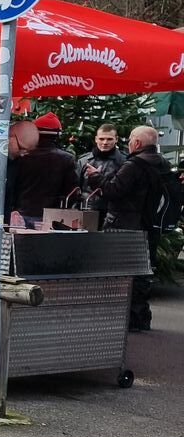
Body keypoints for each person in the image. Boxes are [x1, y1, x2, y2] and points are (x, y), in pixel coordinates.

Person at [101, 124, 178, 331]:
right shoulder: (162, 163)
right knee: (142, 271)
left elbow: (113, 190)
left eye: (129, 140)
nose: (128, 143)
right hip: (150, 226)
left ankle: (128, 319)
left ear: (136, 143)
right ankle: (141, 316)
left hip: (127, 225)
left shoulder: (134, 165)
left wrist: (96, 177)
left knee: (123, 272)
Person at [13, 112, 79, 222]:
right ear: (57, 135)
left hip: (21, 214)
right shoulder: (67, 159)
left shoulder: (21, 156)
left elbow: (11, 186)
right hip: (52, 216)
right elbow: (72, 192)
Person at [78, 121, 127, 203]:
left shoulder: (124, 161)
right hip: (85, 207)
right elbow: (75, 187)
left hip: (111, 208)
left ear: (116, 139)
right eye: (101, 139)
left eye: (109, 139)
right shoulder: (83, 161)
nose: (105, 143)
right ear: (96, 139)